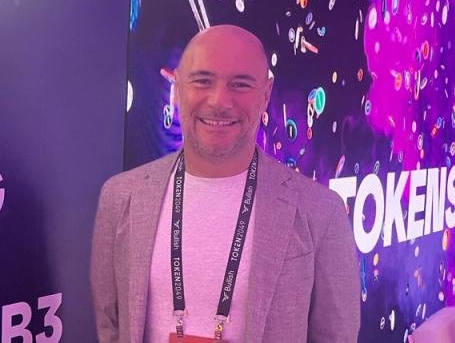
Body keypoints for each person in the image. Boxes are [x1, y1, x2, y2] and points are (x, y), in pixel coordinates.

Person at [91, 24, 360, 342]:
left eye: (240, 84)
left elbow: (336, 336)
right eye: (202, 81)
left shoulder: (321, 211)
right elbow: (110, 326)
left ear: (266, 93)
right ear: (178, 85)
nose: (219, 101)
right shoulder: (121, 196)